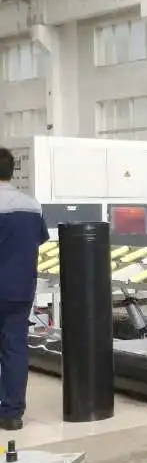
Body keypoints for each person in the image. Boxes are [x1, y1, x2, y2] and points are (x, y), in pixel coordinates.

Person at [0, 148, 48, 430]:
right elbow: (38, 239)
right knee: (15, 347)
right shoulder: (32, 205)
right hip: (20, 289)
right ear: (13, 170)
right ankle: (11, 414)